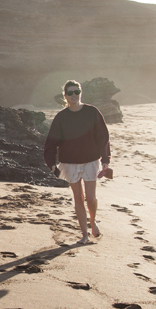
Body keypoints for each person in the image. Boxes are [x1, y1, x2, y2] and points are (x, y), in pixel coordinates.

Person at [43, 80, 110, 245]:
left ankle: (93, 221)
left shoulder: (92, 112)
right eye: (70, 93)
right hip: (69, 162)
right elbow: (51, 142)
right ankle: (84, 235)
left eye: (77, 92)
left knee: (91, 198)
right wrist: (51, 163)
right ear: (65, 96)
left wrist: (106, 159)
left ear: (81, 93)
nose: (74, 95)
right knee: (78, 198)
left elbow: (103, 137)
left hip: (91, 161)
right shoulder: (61, 117)